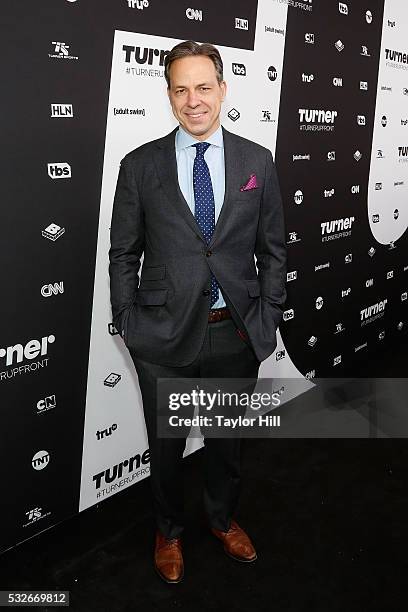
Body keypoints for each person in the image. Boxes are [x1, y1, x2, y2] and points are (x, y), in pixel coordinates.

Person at [108, 39, 287, 583]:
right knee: (165, 448)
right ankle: (168, 532)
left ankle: (221, 517)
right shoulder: (140, 165)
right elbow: (124, 253)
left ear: (223, 90)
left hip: (234, 331)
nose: (193, 100)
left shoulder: (257, 160)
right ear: (168, 96)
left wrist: (267, 314)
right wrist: (129, 323)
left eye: (203, 87)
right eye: (181, 89)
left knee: (224, 442)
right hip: (162, 338)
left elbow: (273, 248)